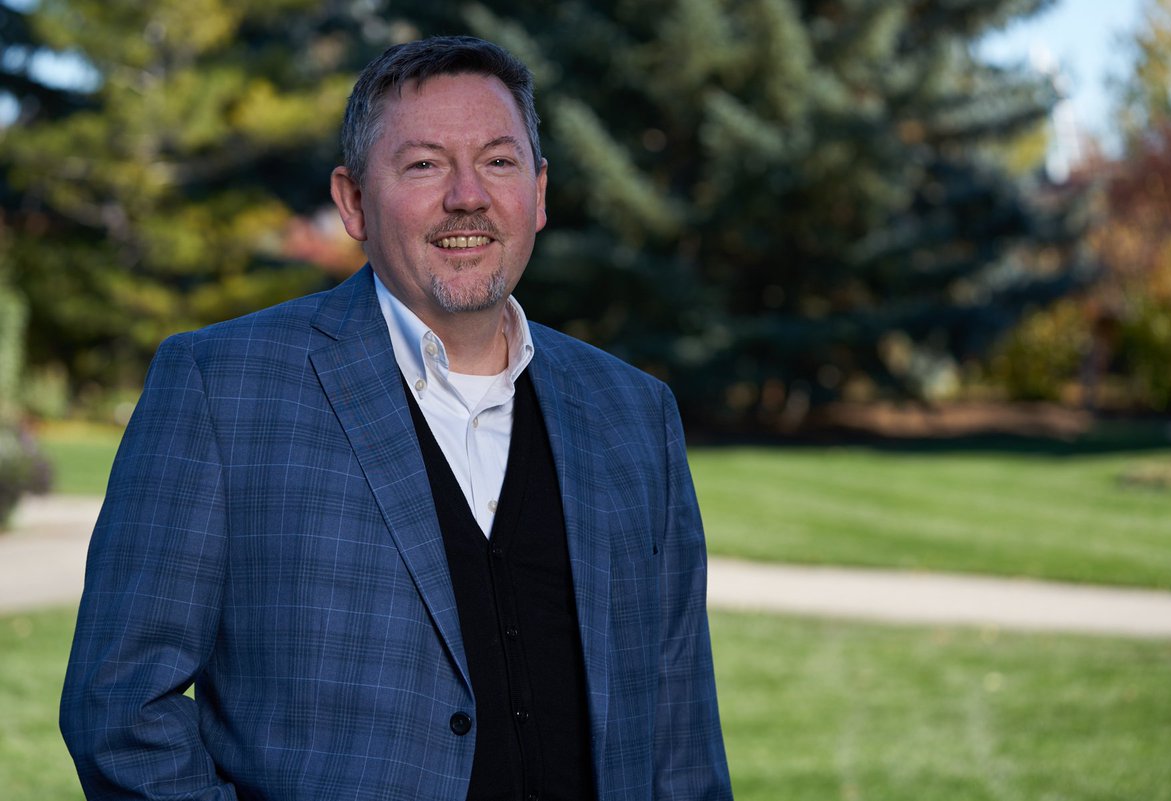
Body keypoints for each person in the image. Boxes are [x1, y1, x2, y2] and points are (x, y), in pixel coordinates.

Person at [60, 35, 732, 801]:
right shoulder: (223, 388)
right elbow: (120, 708)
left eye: (499, 161)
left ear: (539, 192)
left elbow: (681, 743)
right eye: (424, 165)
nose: (468, 196)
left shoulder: (635, 413)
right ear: (352, 201)